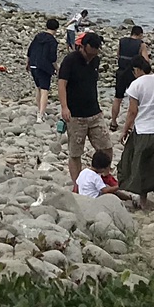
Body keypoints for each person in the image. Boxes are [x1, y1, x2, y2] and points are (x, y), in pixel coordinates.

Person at [112, 57, 154, 209]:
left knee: (139, 165)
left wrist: (125, 130)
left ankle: (143, 201)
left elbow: (132, 112)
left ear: (137, 69)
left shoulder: (136, 85)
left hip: (143, 131)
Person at [58, 31, 113, 189]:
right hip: (75, 115)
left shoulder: (95, 60)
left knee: (106, 147)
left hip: (94, 112)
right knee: (76, 152)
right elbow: (62, 84)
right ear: (82, 47)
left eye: (95, 52)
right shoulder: (70, 60)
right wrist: (64, 107)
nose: (91, 56)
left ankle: (103, 177)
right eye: (89, 52)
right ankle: (78, 185)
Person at [113, 25, 151, 120]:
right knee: (133, 99)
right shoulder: (141, 44)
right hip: (133, 73)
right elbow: (146, 60)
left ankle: (113, 122)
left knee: (117, 98)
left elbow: (118, 54)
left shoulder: (122, 41)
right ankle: (131, 122)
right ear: (140, 34)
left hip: (121, 72)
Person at [28, 17, 61, 122]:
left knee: (38, 88)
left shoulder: (38, 37)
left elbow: (30, 50)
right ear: (56, 29)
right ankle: (41, 115)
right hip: (44, 67)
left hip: (33, 64)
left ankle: (39, 110)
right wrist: (57, 68)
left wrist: (27, 63)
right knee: (44, 91)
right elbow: (52, 58)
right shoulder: (52, 41)